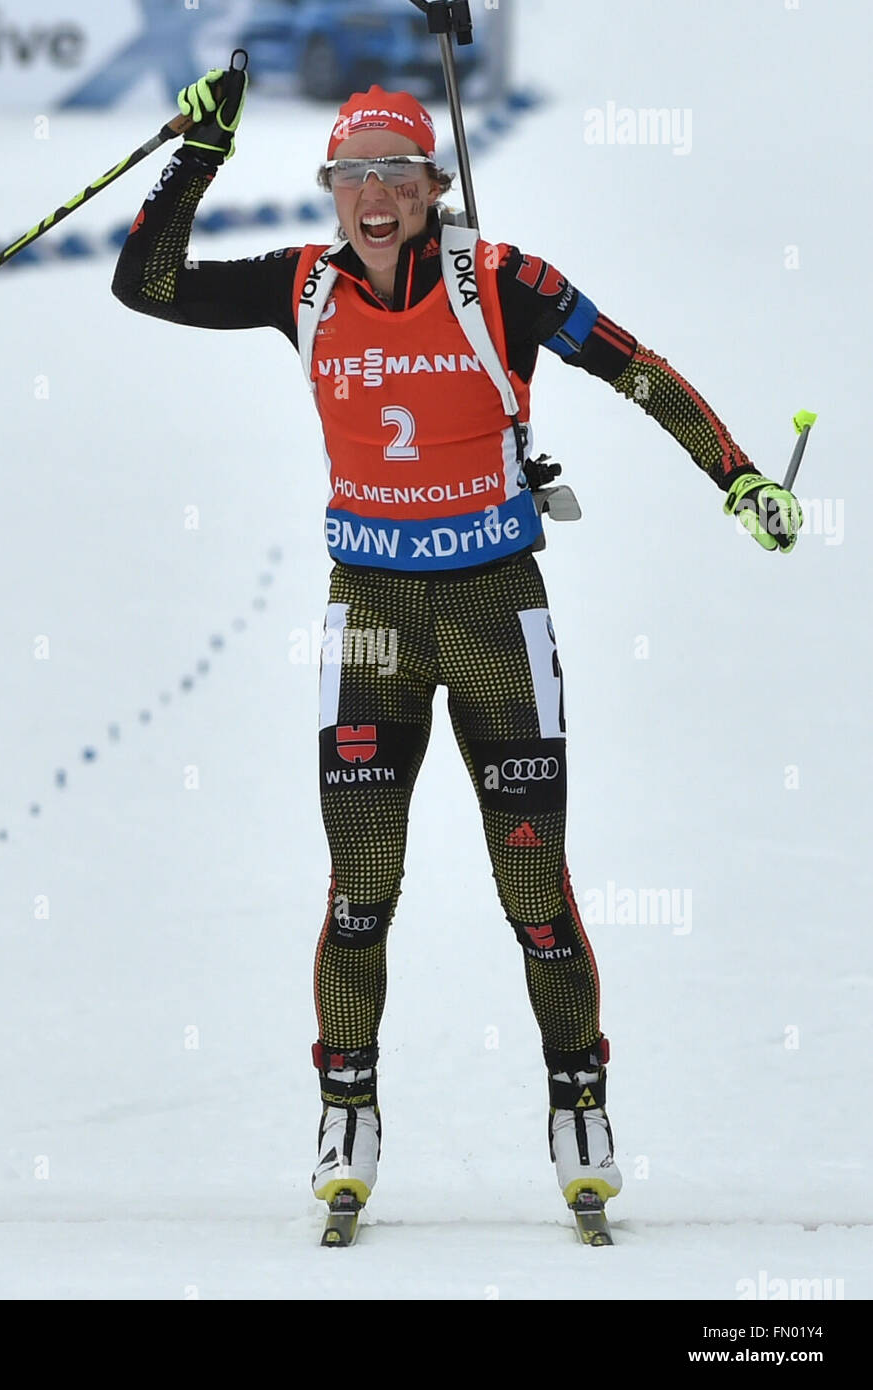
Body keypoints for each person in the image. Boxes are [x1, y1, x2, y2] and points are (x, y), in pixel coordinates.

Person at [111, 68, 802, 1220]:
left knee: (531, 888)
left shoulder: (502, 283)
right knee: (361, 890)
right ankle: (346, 1105)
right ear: (331, 192)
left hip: (493, 614)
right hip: (372, 616)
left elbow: (632, 365)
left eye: (395, 173)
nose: (373, 197)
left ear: (434, 184)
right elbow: (150, 284)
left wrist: (733, 474)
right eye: (351, 177)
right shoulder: (305, 289)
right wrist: (199, 153)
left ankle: (577, 1094)